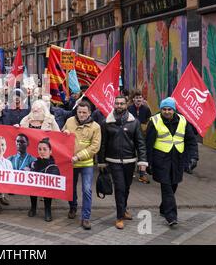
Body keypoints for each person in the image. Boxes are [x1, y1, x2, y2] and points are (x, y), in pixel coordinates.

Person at [146, 97, 198, 227]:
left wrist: (193, 157)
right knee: (167, 187)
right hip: (160, 160)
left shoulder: (183, 121)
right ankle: (171, 217)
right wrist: (147, 162)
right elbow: (148, 144)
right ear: (161, 109)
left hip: (178, 160)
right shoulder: (154, 121)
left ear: (174, 110)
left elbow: (191, 141)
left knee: (174, 185)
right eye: (164, 109)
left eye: (169, 109)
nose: (167, 112)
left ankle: (164, 208)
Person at [98, 95, 148, 230]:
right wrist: (101, 162)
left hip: (130, 160)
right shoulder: (106, 122)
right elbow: (102, 144)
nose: (119, 106)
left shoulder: (134, 122)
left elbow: (140, 143)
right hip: (113, 161)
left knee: (126, 187)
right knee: (119, 187)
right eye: (117, 103)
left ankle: (124, 208)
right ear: (114, 105)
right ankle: (119, 217)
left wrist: (142, 160)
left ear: (126, 105)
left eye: (121, 104)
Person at [62, 101, 101, 230]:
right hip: (71, 163)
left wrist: (78, 156)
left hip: (86, 163)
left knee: (87, 190)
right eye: (79, 112)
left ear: (89, 112)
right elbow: (61, 137)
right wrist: (64, 134)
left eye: (84, 112)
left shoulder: (95, 127)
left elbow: (95, 147)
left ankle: (86, 217)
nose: (82, 114)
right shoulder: (69, 121)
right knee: (71, 188)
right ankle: (73, 207)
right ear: (76, 112)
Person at [28, 138, 60, 222]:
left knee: (48, 189)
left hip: (47, 190)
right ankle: (33, 208)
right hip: (34, 187)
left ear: (50, 151)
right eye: (40, 149)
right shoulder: (34, 163)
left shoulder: (53, 167)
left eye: (45, 149)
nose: (42, 151)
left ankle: (48, 210)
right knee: (32, 186)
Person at [128, 90, 152, 184]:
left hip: (142, 134)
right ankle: (131, 171)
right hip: (131, 134)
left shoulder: (146, 109)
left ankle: (142, 174)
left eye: (140, 97)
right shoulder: (129, 108)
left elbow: (149, 119)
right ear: (133, 99)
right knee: (131, 152)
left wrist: (145, 126)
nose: (138, 99)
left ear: (143, 99)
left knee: (142, 152)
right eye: (137, 98)